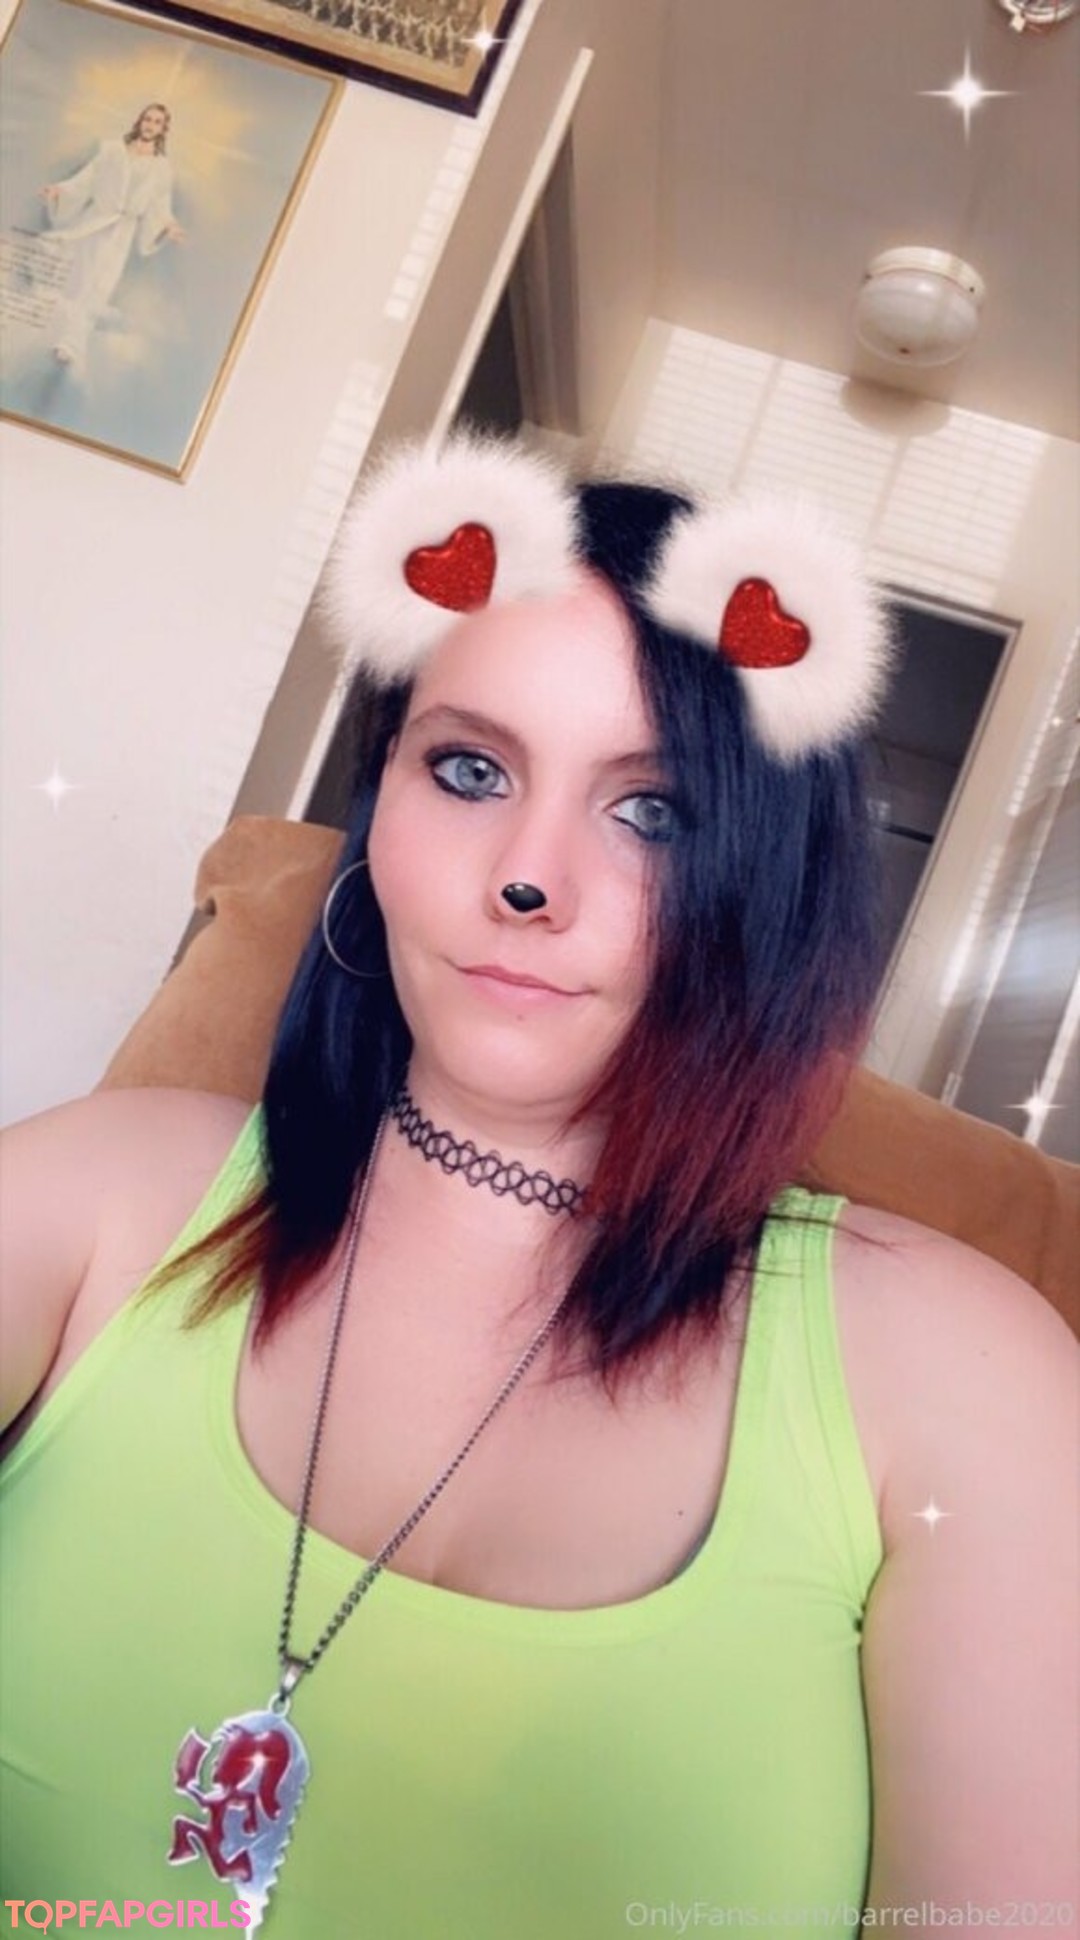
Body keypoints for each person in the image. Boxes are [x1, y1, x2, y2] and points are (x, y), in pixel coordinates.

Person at [0, 432, 1076, 1934]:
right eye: (468, 769)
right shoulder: (97, 1191)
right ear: (377, 811)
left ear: (768, 890)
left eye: (653, 811)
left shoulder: (968, 1367)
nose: (526, 876)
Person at [39, 103, 184, 373]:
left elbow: (160, 204)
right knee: (77, 279)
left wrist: (169, 226)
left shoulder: (162, 168)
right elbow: (87, 179)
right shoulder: (112, 151)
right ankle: (55, 331)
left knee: (99, 286)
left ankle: (71, 343)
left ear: (163, 129)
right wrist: (60, 190)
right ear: (139, 121)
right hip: (95, 221)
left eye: (157, 122)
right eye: (147, 119)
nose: (150, 125)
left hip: (121, 233)